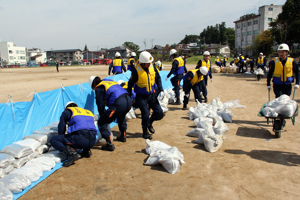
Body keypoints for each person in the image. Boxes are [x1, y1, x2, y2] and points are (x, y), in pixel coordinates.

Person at [127, 51, 164, 140]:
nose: (149, 64)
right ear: (142, 63)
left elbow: (158, 78)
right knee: (145, 113)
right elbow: (130, 83)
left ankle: (149, 123)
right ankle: (145, 132)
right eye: (147, 63)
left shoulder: (153, 67)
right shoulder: (136, 70)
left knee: (160, 113)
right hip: (141, 96)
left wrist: (161, 90)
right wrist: (128, 95)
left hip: (152, 95)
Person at [89, 76, 132, 151]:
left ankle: (109, 144)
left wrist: (103, 116)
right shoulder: (109, 81)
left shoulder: (99, 87)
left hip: (119, 103)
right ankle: (123, 136)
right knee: (121, 116)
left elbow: (100, 104)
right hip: (128, 100)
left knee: (102, 122)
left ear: (93, 85)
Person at [50, 102, 97, 167]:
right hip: (93, 141)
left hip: (81, 139)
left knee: (54, 139)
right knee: (85, 133)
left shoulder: (67, 111)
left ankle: (72, 154)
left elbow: (61, 126)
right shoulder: (87, 111)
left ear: (67, 107)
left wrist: (62, 139)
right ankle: (86, 151)